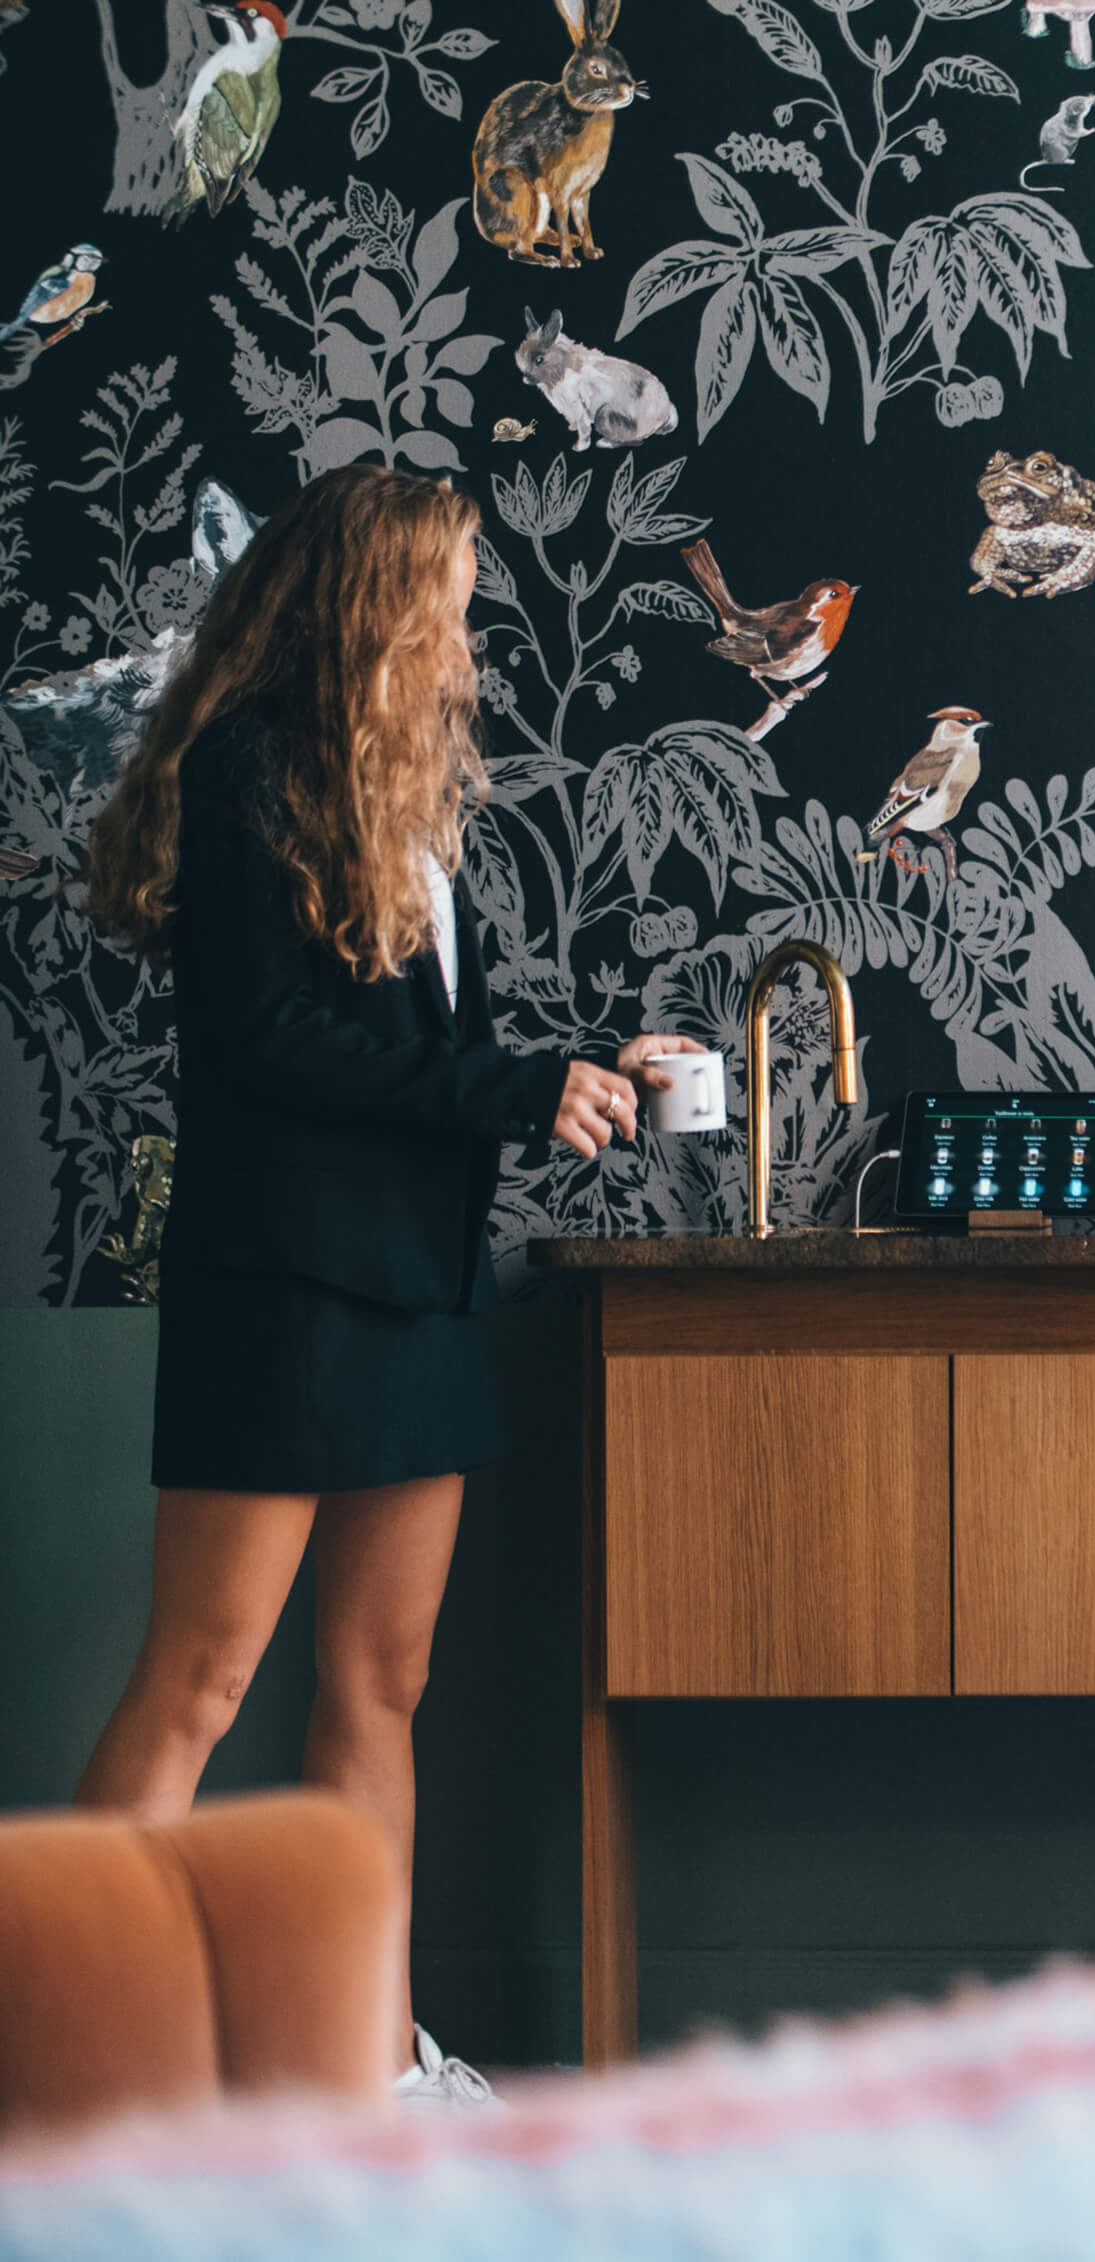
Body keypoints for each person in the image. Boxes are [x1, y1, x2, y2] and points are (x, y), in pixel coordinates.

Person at [79, 464, 697, 2105]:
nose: (469, 638)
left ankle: (370, 2075)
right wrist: (519, 1088)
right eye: (452, 602)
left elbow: (405, 1050)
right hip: (280, 1292)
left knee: (384, 1683)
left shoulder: (408, 802)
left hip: (420, 1286)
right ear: (377, 603)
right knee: (202, 1679)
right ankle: (61, 2061)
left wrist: (580, 1069)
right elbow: (274, 1044)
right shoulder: (244, 768)